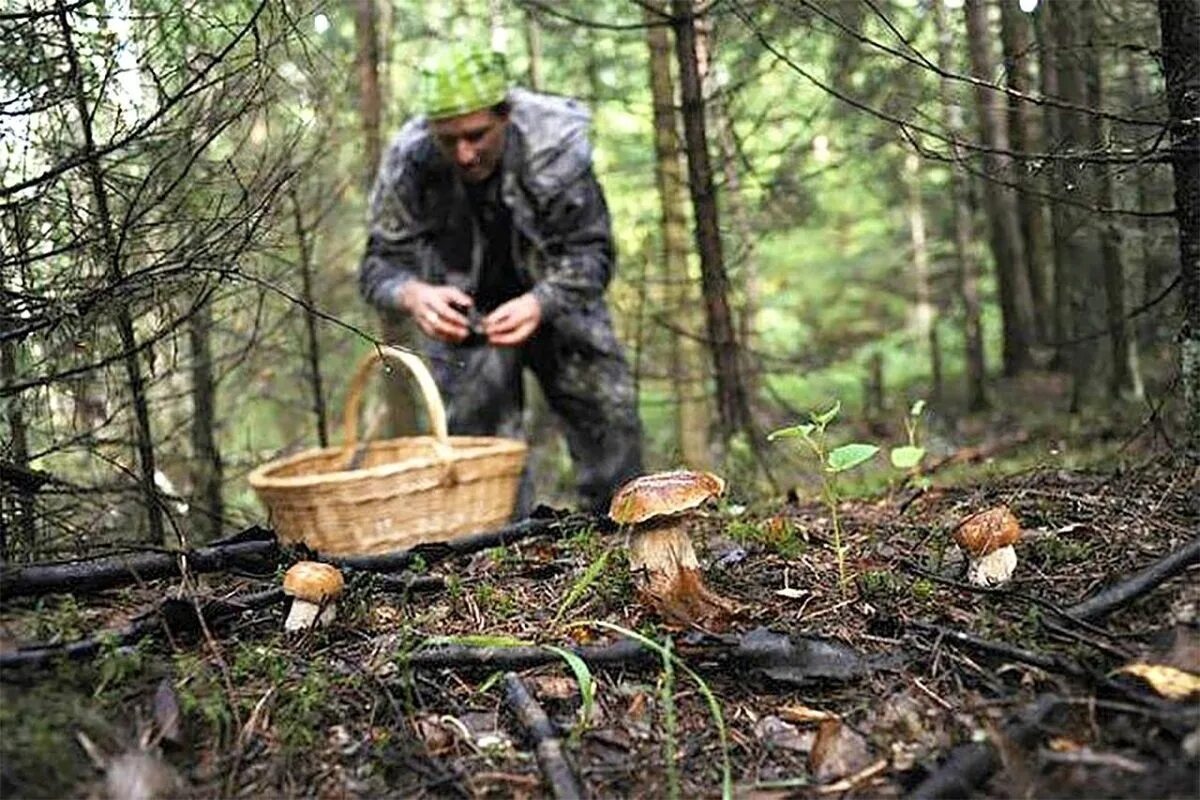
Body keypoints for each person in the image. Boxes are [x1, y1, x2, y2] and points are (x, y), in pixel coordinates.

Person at [359, 44, 643, 514]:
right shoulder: (408, 162)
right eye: (448, 140)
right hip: (466, 324)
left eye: (476, 135)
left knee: (608, 424)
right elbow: (376, 268)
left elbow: (594, 254)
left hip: (561, 305)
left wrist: (541, 302)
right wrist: (413, 294)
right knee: (481, 469)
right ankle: (503, 567)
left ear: (505, 115)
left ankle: (629, 542)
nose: (464, 154)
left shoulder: (554, 143)